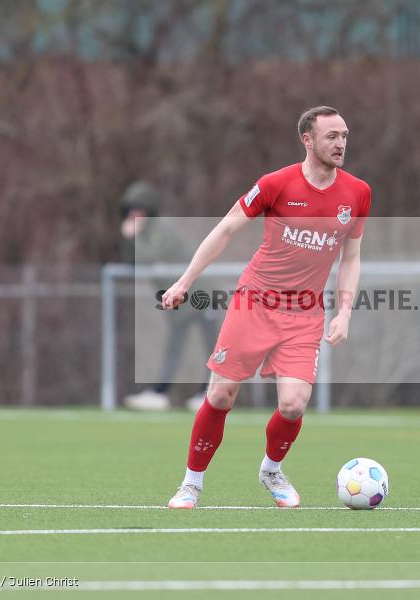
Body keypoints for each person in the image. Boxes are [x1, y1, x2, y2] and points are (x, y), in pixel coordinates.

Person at [160, 106, 371, 508]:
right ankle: (191, 484)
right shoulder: (276, 184)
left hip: (305, 314)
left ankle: (271, 470)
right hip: (254, 303)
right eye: (331, 136)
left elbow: (352, 257)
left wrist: (345, 312)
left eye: (344, 135)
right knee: (221, 396)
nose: (341, 143)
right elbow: (224, 230)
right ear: (307, 140)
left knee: (293, 405)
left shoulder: (358, 192)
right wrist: (184, 282)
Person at [119, 181, 219, 411]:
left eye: (139, 210)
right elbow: (132, 261)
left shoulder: (159, 229)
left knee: (213, 347)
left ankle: (208, 393)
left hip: (202, 295)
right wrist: (129, 239)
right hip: (180, 301)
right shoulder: (142, 234)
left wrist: (132, 237)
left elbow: (150, 256)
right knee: (174, 347)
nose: (135, 216)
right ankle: (159, 392)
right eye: (131, 211)